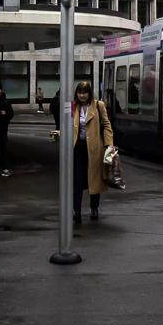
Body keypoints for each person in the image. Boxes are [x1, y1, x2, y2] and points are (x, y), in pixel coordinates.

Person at [49, 79, 113, 226]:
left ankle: (94, 208)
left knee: (94, 180)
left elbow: (106, 125)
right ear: (76, 94)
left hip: (94, 149)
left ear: (89, 93)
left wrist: (109, 144)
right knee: (76, 181)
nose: (82, 95)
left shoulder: (98, 105)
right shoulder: (72, 106)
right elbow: (67, 124)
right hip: (77, 148)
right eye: (79, 92)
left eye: (85, 93)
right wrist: (59, 132)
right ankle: (76, 211)